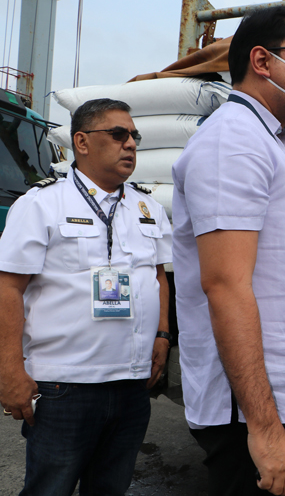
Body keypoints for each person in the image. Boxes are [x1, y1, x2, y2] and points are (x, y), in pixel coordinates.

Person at [171, 5, 285, 496]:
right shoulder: (233, 143)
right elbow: (225, 286)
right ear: (263, 61)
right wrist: (265, 430)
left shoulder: (275, 142)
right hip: (253, 413)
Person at [0, 98, 173, 496]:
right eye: (117, 134)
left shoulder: (147, 207)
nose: (130, 143)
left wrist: (163, 335)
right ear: (81, 141)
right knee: (50, 489)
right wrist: (10, 371)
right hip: (65, 387)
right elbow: (9, 287)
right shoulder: (42, 204)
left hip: (131, 387)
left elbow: (159, 276)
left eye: (134, 136)